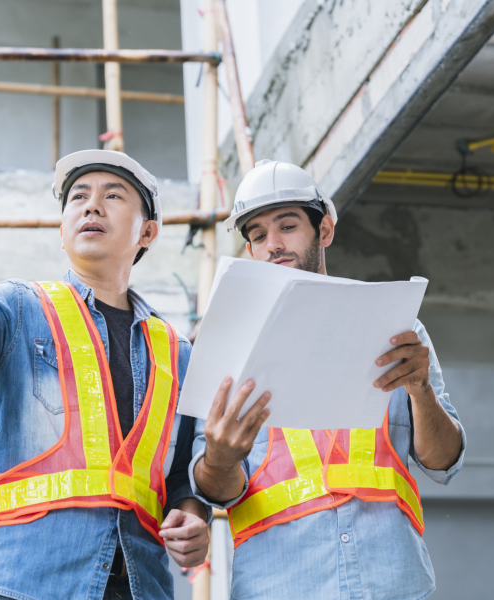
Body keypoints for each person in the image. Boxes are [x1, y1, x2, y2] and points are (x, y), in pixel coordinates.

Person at [0, 97, 210, 600]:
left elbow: (188, 474)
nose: (91, 205)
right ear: (62, 231)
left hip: (139, 586)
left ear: (148, 231)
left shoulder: (177, 354)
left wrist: (192, 520)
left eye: (114, 195)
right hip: (24, 583)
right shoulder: (20, 310)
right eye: (78, 196)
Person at [190, 159, 466, 599]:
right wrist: (220, 459)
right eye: (258, 236)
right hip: (278, 585)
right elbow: (212, 491)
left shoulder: (395, 326)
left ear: (325, 231)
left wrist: (421, 391)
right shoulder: (224, 347)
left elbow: (444, 461)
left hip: (390, 582)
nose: (273, 244)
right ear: (249, 251)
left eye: (287, 226)